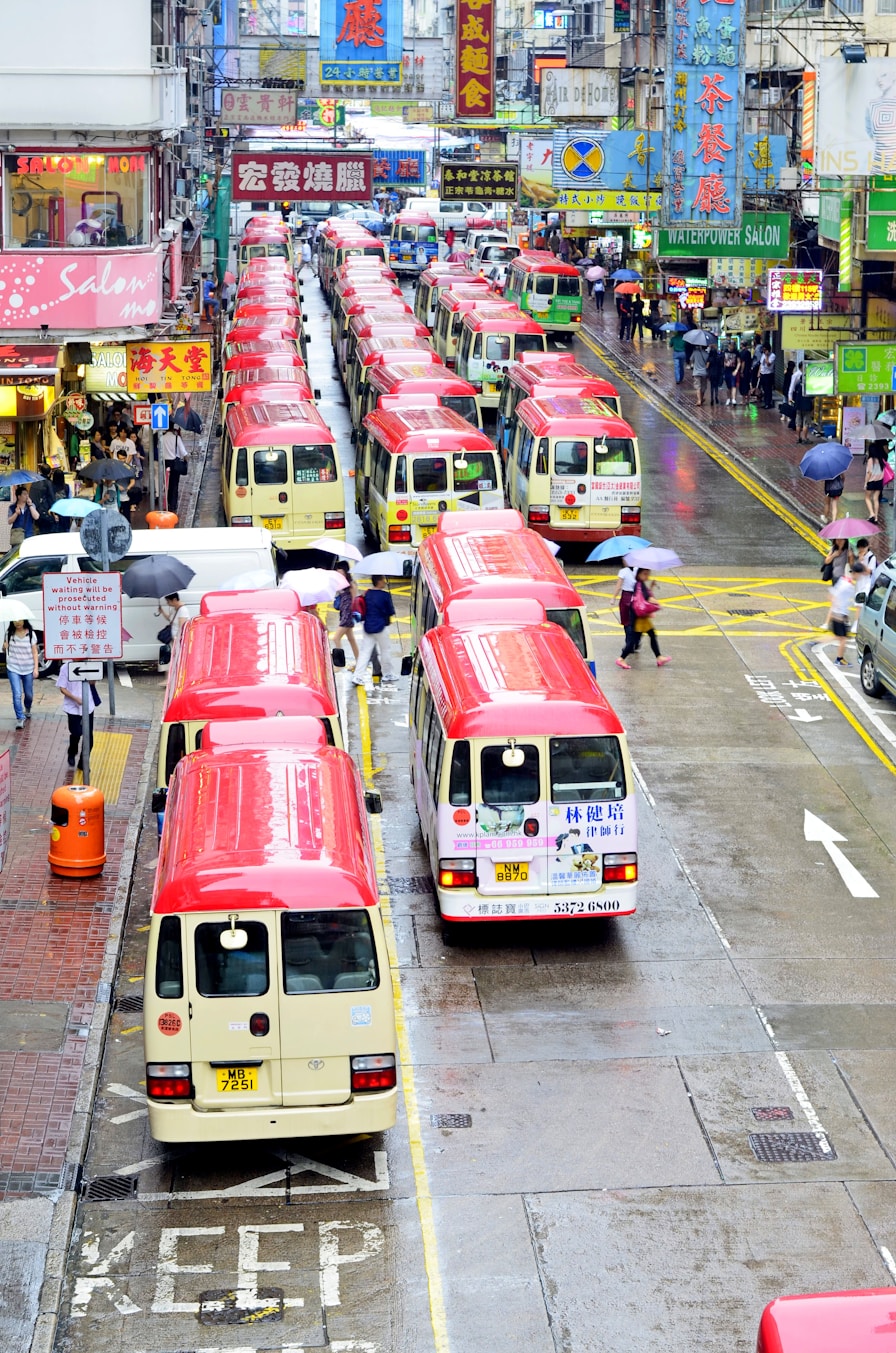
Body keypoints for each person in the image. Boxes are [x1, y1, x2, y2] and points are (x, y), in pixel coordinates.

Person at [616, 568, 671, 668]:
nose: (647, 576)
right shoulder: (639, 585)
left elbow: (644, 596)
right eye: (645, 574)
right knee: (634, 640)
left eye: (648, 574)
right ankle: (621, 658)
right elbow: (647, 598)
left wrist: (651, 587)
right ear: (639, 574)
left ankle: (659, 657)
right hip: (639, 619)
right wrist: (658, 603)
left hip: (641, 617)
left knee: (651, 635)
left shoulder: (639, 584)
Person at [351, 575, 396, 687]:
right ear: (379, 582)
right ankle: (387, 674)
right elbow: (390, 611)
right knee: (385, 650)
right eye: (383, 580)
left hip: (368, 627)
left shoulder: (367, 594)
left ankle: (357, 676)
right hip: (381, 628)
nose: (384, 582)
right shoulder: (385, 595)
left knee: (365, 652)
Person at [56, 661, 97, 770]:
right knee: (76, 732)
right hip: (72, 707)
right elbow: (62, 688)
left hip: (88, 705)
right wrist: (75, 699)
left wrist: (92, 678)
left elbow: (92, 683)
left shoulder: (88, 665)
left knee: (89, 737)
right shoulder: (66, 667)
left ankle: (83, 763)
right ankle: (72, 752)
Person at [4, 617, 38, 728]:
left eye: (20, 620)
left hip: (28, 668)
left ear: (24, 620)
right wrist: (4, 647)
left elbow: (34, 653)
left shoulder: (31, 634)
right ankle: (20, 718)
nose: (17, 622)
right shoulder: (9, 633)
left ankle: (27, 708)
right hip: (13, 668)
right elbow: (5, 649)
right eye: (15, 620)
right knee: (17, 694)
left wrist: (36, 668)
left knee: (29, 694)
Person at [332, 560, 360, 665]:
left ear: (345, 570)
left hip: (348, 616)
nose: (338, 572)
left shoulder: (351, 584)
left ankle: (339, 664)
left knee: (336, 638)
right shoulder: (341, 584)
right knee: (351, 639)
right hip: (343, 614)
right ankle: (359, 662)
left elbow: (354, 601)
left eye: (340, 570)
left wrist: (352, 616)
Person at [157, 592, 193, 673]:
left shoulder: (183, 610)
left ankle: (175, 676)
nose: (167, 603)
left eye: (168, 601)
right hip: (173, 640)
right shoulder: (174, 609)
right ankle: (169, 676)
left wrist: (176, 639)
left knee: (177, 658)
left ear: (174, 600)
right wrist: (162, 611)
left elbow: (181, 627)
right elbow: (170, 619)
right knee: (171, 658)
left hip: (179, 641)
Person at [827, 569, 855, 666]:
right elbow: (832, 597)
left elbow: (832, 596)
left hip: (839, 614)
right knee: (843, 639)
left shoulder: (843, 580)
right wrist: (839, 612)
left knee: (838, 637)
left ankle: (815, 641)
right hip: (839, 615)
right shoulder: (847, 585)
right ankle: (839, 659)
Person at [612, 563, 640, 660]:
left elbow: (618, 587)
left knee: (627, 622)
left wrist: (613, 598)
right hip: (637, 597)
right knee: (636, 621)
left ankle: (629, 644)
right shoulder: (638, 569)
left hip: (626, 598)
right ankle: (636, 642)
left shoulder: (623, 571)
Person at [161, 427, 188, 513]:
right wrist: (186, 461)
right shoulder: (177, 438)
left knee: (166, 483)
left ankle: (167, 501)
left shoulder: (161, 438)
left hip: (165, 463)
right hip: (174, 463)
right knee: (174, 484)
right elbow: (183, 452)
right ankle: (173, 504)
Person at [864, 443, 887, 524]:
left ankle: (872, 514)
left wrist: (865, 483)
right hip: (879, 481)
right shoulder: (881, 460)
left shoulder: (870, 460)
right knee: (876, 499)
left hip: (871, 481)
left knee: (867, 498)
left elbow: (869, 473)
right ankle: (876, 517)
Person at [706, 342, 723, 407]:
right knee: (716, 386)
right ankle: (716, 396)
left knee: (712, 386)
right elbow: (721, 366)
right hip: (717, 373)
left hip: (711, 374)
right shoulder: (718, 358)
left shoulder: (709, 359)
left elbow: (707, 366)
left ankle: (712, 399)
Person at [722, 340, 739, 404]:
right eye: (731, 345)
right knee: (728, 386)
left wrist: (736, 370)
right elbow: (723, 360)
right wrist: (724, 364)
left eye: (733, 345)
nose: (732, 346)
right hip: (727, 370)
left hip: (733, 370)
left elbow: (739, 362)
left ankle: (733, 399)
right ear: (729, 345)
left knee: (733, 385)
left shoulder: (736, 352)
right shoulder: (725, 351)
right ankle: (729, 398)